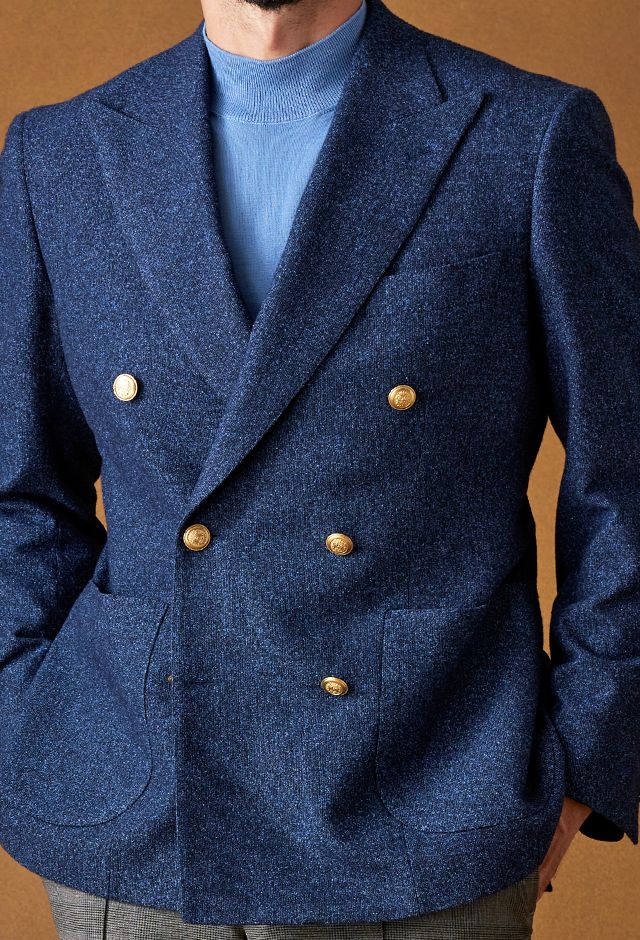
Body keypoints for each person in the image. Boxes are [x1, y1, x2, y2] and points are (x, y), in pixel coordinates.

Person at [1, 0, 639, 937]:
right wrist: (31, 722)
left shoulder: (529, 134)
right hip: (137, 820)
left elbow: (624, 478)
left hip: (423, 807)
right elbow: (17, 491)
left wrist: (585, 762)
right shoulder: (57, 153)